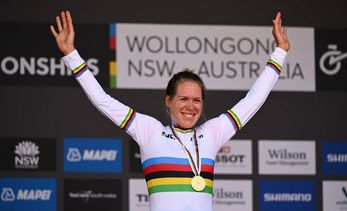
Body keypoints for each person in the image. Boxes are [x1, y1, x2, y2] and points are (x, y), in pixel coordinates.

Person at [51, 11, 290, 211]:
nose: (191, 106)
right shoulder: (149, 130)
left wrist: (280, 52)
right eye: (183, 98)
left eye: (197, 100)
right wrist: (71, 55)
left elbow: (253, 100)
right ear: (169, 101)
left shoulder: (213, 132)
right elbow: (103, 100)